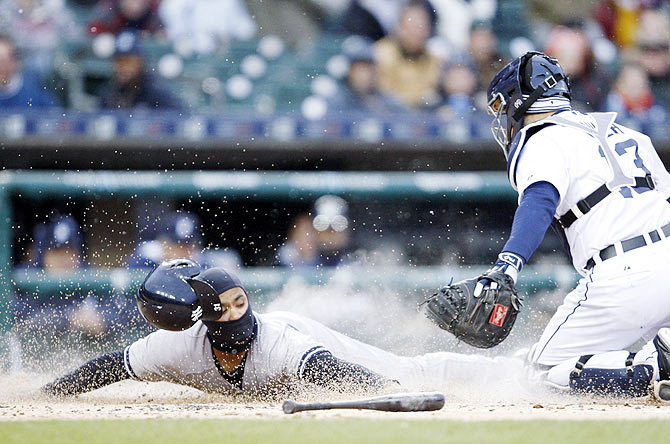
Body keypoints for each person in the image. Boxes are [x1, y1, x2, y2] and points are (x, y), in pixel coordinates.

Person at [474, 50, 670, 401]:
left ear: (521, 100)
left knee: (540, 376)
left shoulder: (540, 136)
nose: (504, 119)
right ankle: (658, 357)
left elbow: (539, 202)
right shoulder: (627, 132)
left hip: (624, 274)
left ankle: (652, 367)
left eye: (503, 108)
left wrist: (508, 265)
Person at [41, 259, 522, 397]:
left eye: (241, 301)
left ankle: (515, 372)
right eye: (225, 308)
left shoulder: (275, 343)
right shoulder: (175, 347)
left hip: (302, 332)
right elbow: (107, 367)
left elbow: (332, 370)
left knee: (408, 366)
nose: (236, 311)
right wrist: (44, 395)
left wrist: (390, 391)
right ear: (205, 322)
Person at [373, 0, 442, 109]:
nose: (416, 33)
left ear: (429, 30)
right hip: (389, 114)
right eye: (410, 27)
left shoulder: (436, 59)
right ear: (399, 28)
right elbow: (381, 92)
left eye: (420, 27)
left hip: (423, 117)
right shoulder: (380, 54)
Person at [99, 32, 180, 110]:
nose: (124, 67)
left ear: (140, 62)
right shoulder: (110, 92)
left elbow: (178, 116)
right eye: (120, 62)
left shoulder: (156, 91)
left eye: (129, 61)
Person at [0, 34, 58, 108]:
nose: (2, 66)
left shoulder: (33, 88)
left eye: (6, 60)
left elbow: (55, 115)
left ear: (16, 61)